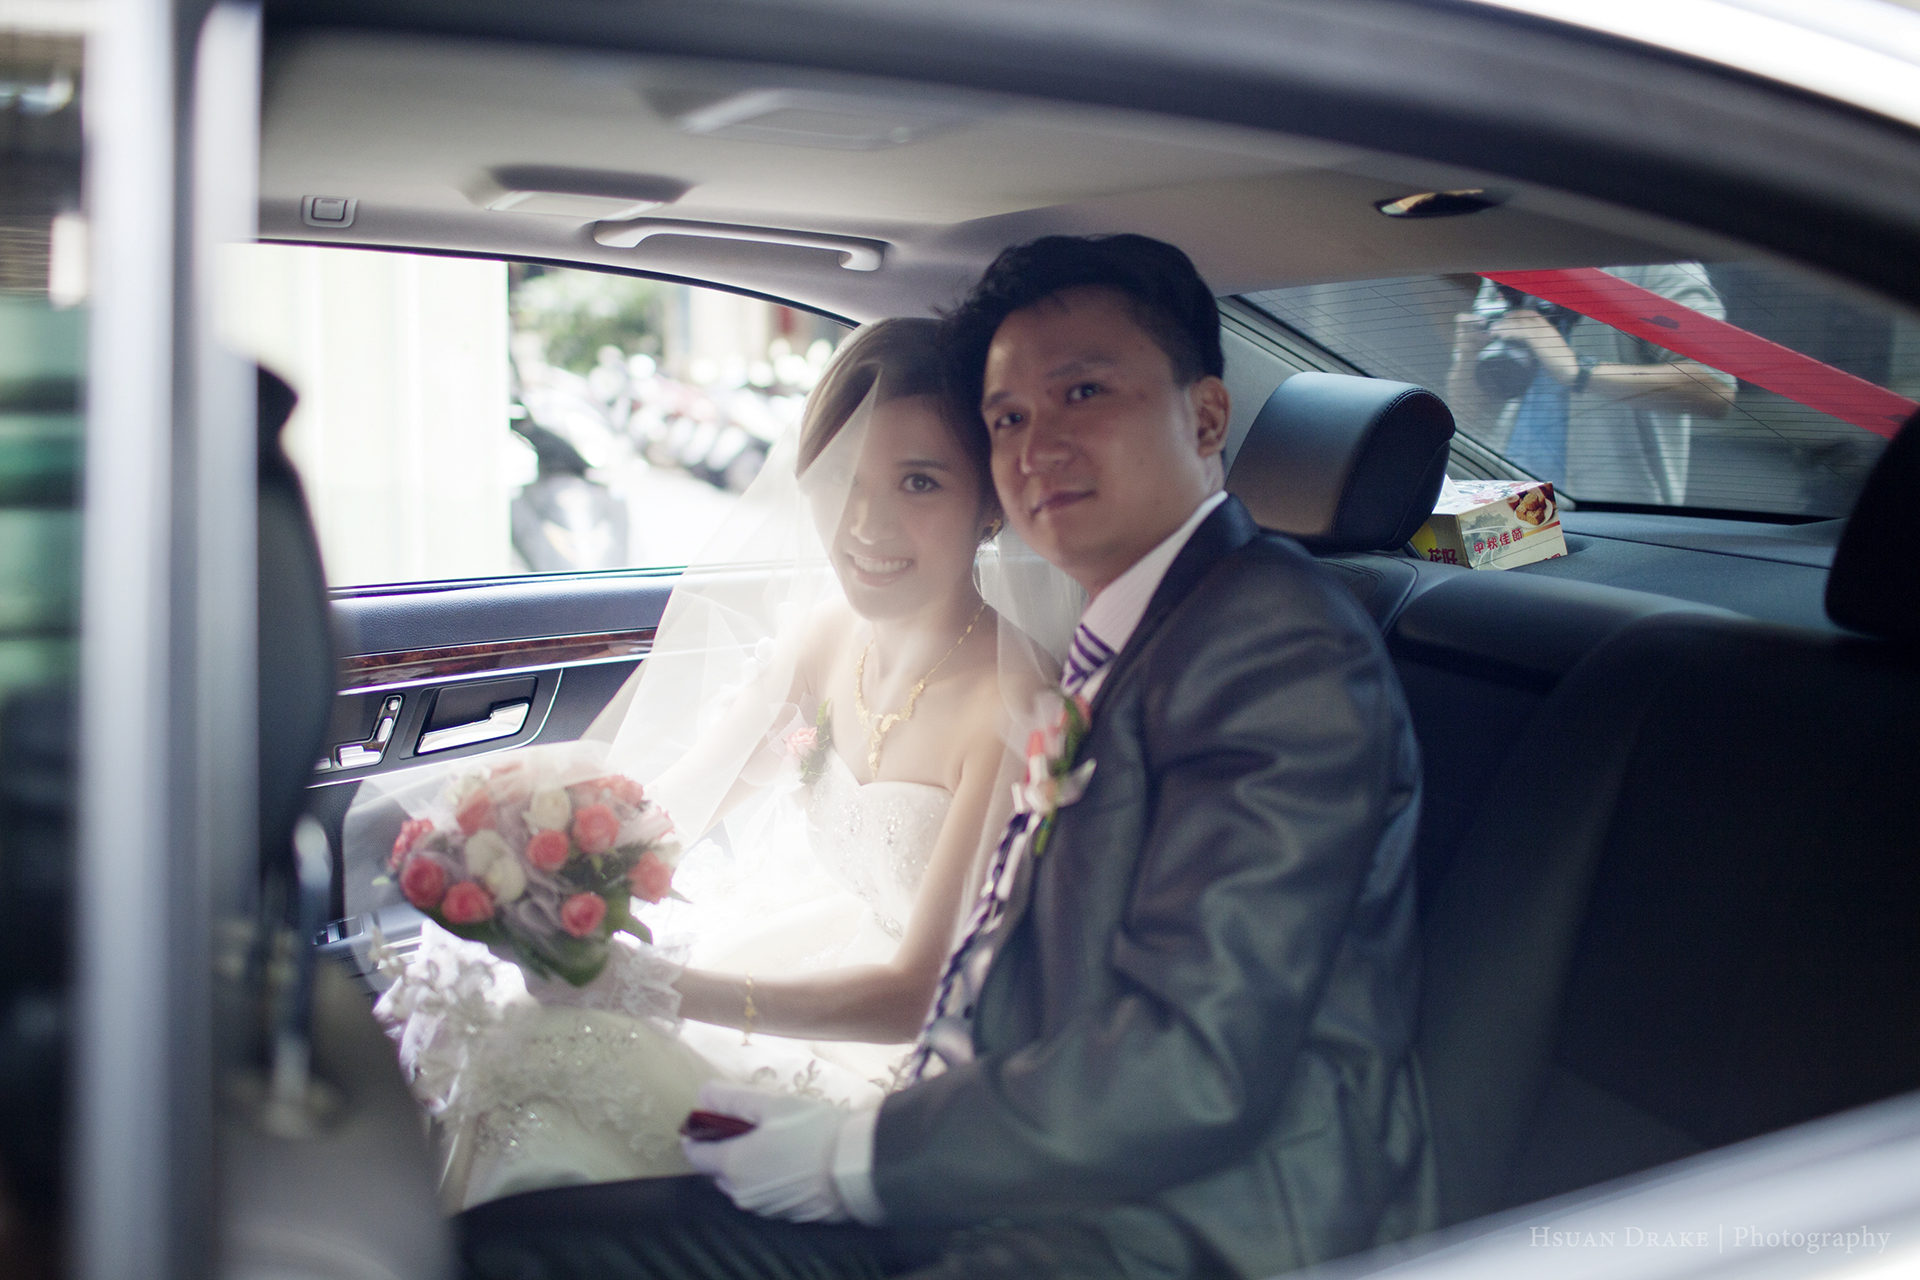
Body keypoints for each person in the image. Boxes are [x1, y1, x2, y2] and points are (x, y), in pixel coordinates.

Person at [457, 234, 1432, 1280]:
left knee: (531, 1237)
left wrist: (851, 1155)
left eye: (1083, 393)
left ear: (1203, 417)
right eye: (1009, 417)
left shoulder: (1274, 640)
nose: (1037, 446)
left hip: (1173, 1223)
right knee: (523, 1201)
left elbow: (1195, 1063)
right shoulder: (1130, 636)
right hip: (1014, 1135)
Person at [367, 318, 1066, 1209]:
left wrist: (656, 988)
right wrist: (537, 858)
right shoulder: (828, 638)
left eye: (918, 482)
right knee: (518, 1033)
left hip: (907, 1053)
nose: (865, 523)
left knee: (555, 1084)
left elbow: (916, 994)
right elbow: (673, 810)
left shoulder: (1008, 710)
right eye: (842, 479)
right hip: (807, 953)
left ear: (991, 502)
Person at [1446, 264, 1735, 505]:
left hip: (1613, 515)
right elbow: (1466, 416)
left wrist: (1579, 372)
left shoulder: (1653, 263)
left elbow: (1716, 387)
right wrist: (1470, 357)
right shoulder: (1507, 264)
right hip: (1512, 508)